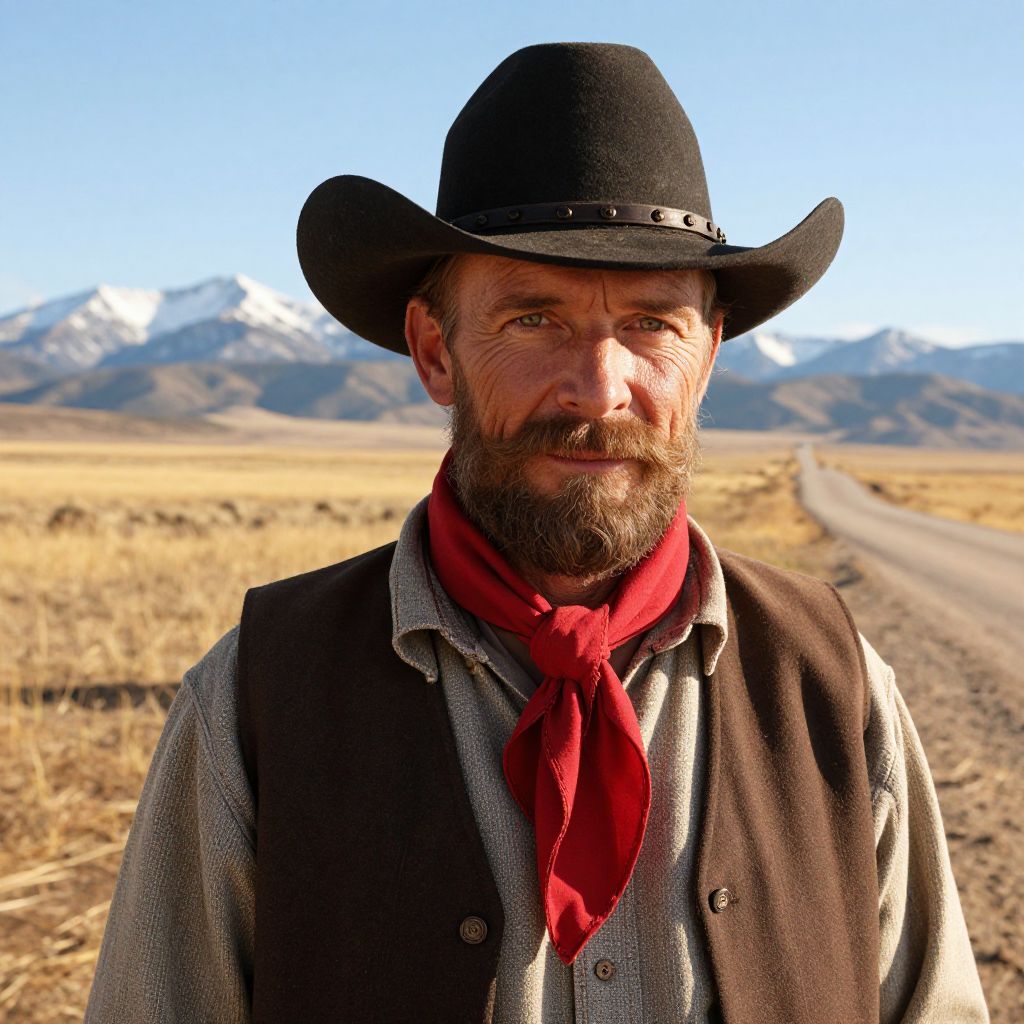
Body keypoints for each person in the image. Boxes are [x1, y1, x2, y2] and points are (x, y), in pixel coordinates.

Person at [85, 42, 988, 1023]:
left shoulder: (833, 685)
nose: (598, 389)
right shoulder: (258, 697)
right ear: (436, 353)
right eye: (533, 320)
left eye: (651, 324)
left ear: (708, 356)